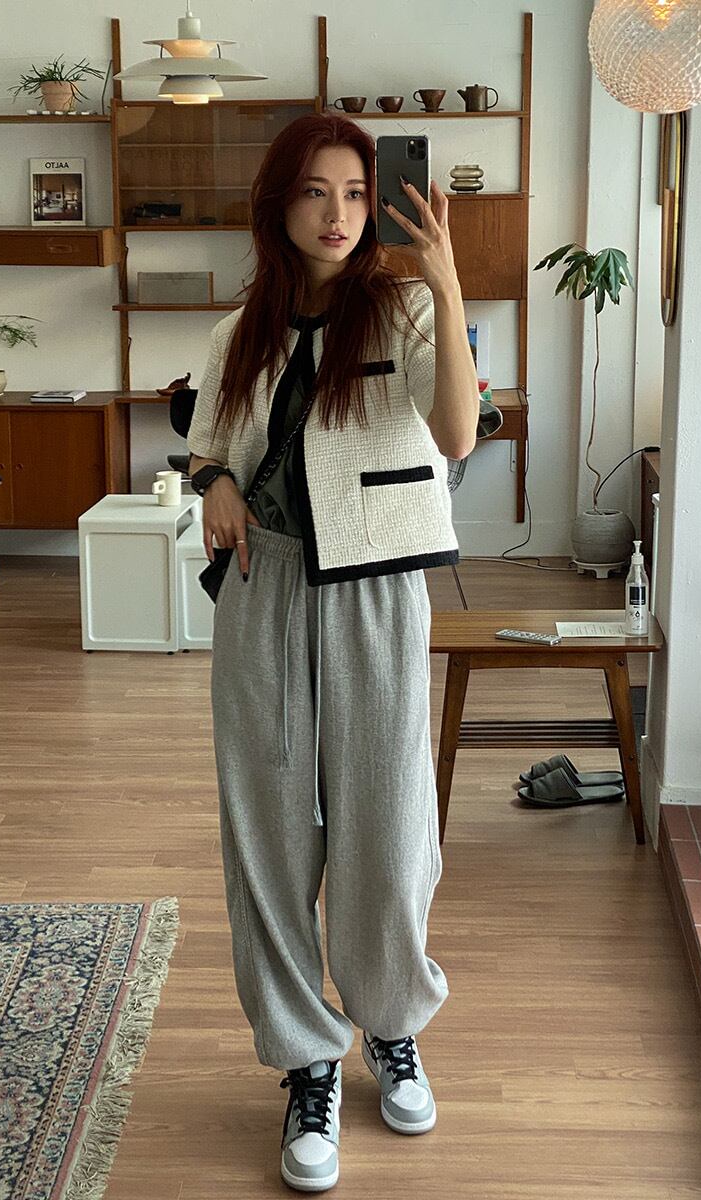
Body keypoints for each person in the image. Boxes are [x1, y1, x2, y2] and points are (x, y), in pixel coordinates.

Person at [186, 111, 480, 1192]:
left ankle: (391, 1024)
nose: (339, 213)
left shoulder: (408, 308)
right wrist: (216, 484)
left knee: (387, 824)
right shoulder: (240, 330)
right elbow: (209, 444)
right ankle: (306, 1057)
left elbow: (456, 433)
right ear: (280, 205)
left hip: (376, 590)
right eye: (316, 191)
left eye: (356, 192)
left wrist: (448, 285)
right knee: (267, 830)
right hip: (262, 590)